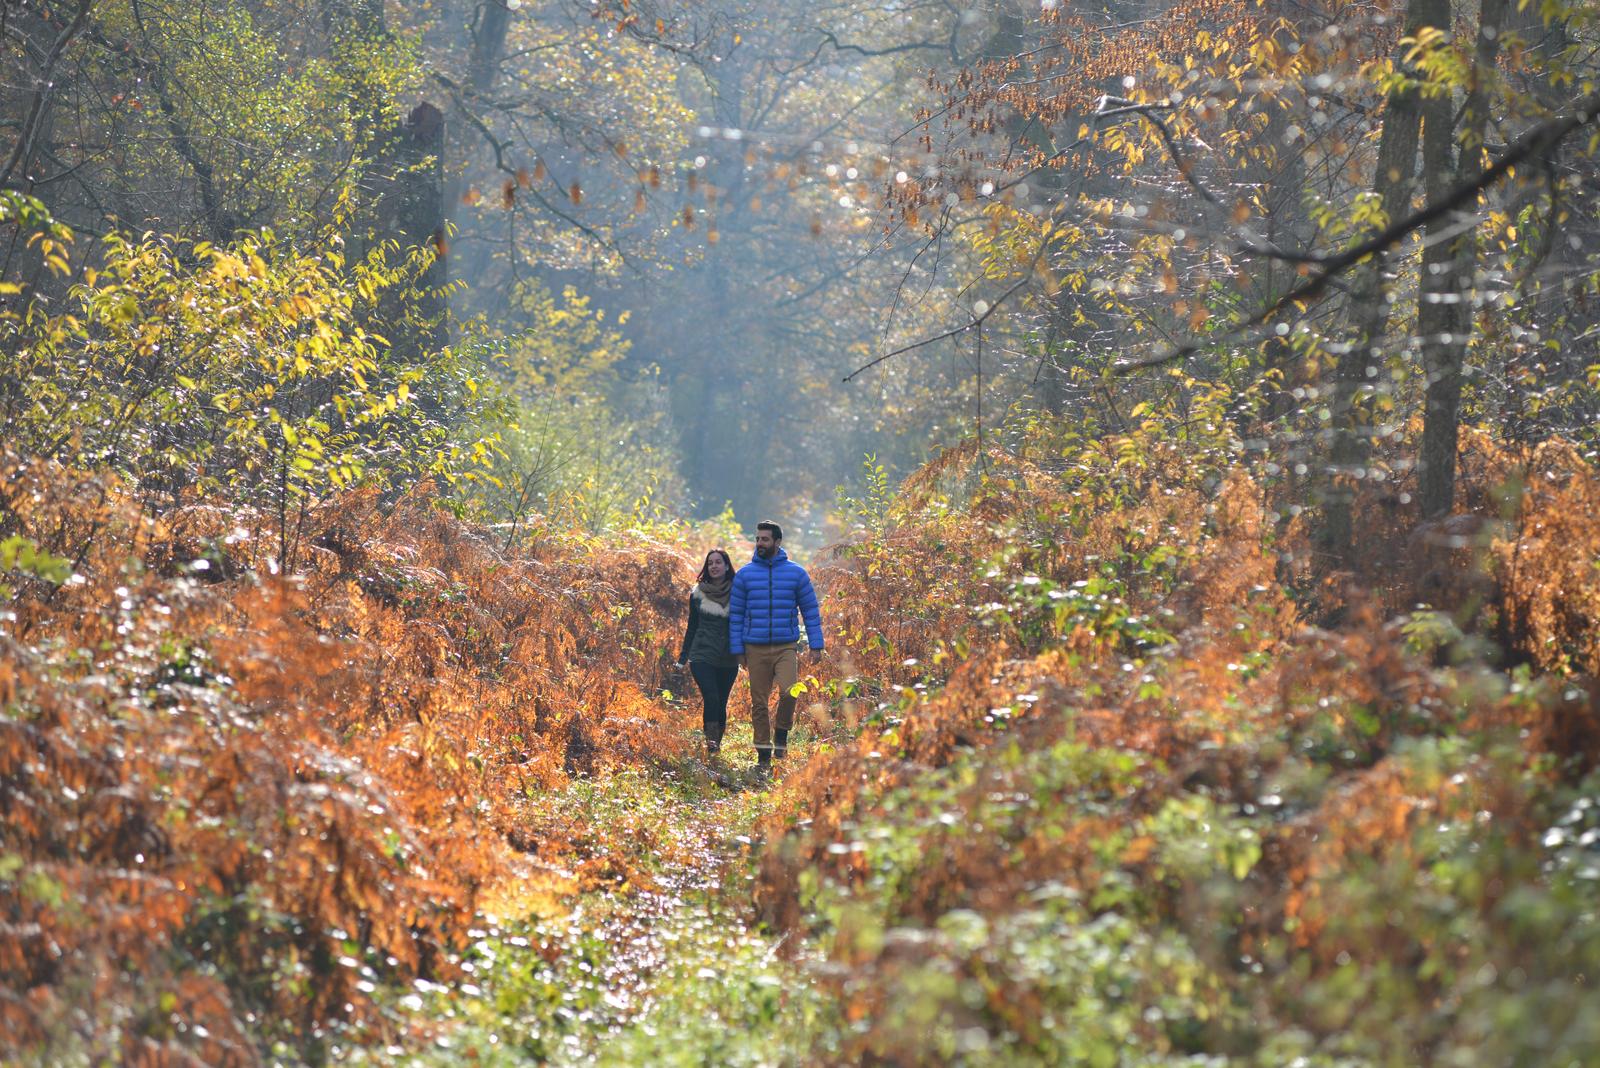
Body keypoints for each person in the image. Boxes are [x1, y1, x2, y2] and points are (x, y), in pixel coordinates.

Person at [728, 521, 825, 769]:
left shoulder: (797, 574)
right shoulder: (745, 575)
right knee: (758, 702)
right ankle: (763, 752)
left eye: (765, 539)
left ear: (777, 542)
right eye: (758, 539)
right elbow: (736, 615)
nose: (760, 543)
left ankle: (781, 733)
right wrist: (737, 649)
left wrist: (816, 644)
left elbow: (810, 610)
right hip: (754, 647)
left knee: (789, 691)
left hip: (785, 646)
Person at [676, 549, 739, 757]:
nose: (713, 566)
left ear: (727, 566)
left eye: (718, 562)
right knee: (711, 696)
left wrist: (748, 652)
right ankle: (712, 746)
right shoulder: (697, 594)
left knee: (721, 701)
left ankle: (716, 746)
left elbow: (744, 625)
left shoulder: (739, 593)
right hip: (702, 654)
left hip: (728, 657)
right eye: (710, 563)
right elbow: (692, 626)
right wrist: (683, 657)